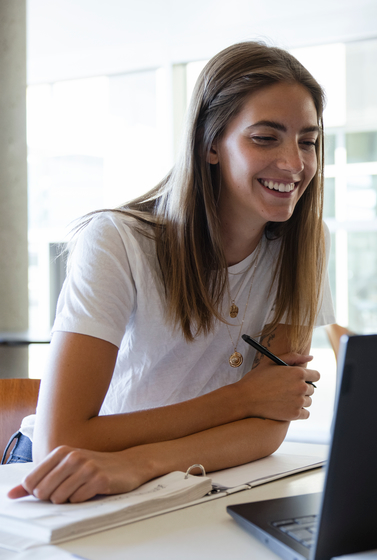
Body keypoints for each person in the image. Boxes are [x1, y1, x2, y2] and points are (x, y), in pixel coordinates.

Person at [5, 41, 336, 504]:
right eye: (265, 137)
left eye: (308, 140)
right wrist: (241, 400)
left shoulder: (306, 244)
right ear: (210, 144)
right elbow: (60, 440)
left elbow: (268, 426)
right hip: (53, 472)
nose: (295, 163)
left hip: (172, 474)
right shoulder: (119, 241)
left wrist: (142, 463)